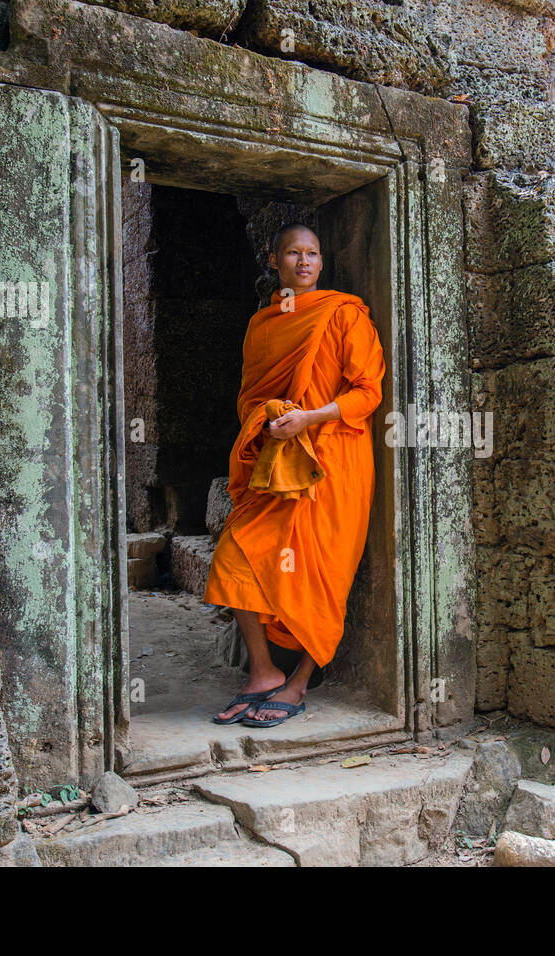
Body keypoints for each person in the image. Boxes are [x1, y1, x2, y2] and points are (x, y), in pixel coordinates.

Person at [203, 222, 385, 727]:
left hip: (335, 460)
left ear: (321, 262)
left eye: (312, 253)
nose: (303, 262)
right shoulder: (263, 325)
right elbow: (247, 400)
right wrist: (272, 417)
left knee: (323, 575)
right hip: (281, 461)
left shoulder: (344, 313)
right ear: (274, 261)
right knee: (235, 553)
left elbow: (367, 393)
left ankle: (299, 684)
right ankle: (263, 673)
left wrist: (310, 416)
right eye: (292, 253)